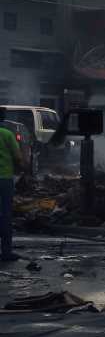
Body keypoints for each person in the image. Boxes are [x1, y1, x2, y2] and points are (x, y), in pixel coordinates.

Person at [0, 110, 22, 262]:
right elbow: (18, 157)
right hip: (4, 179)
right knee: (6, 215)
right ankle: (6, 252)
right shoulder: (7, 134)